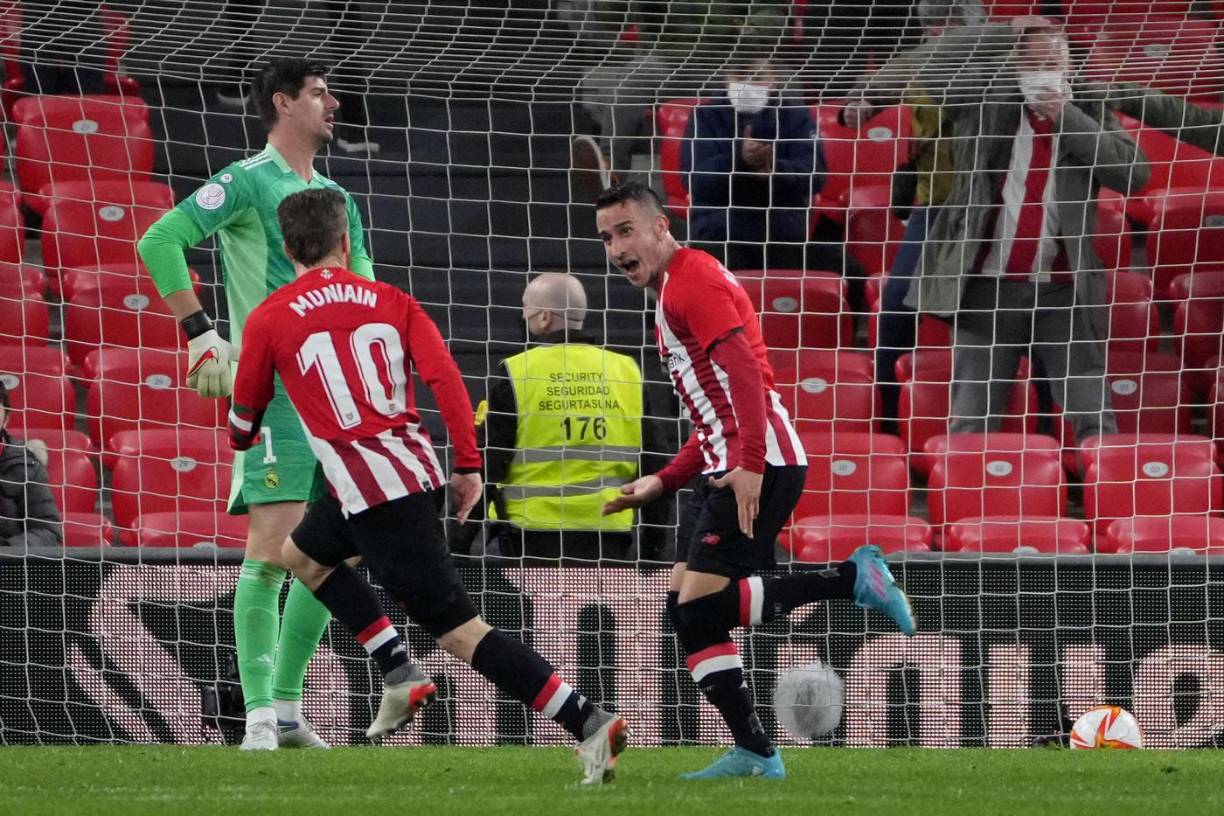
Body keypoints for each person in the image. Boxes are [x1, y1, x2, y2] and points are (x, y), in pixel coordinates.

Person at [230, 187, 628, 784]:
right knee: (301, 556)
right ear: (345, 240)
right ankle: (398, 672)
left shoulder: (269, 316)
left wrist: (221, 389)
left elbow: (243, 427)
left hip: (379, 496)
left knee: (463, 634)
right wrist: (467, 466)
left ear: (287, 248)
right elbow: (444, 377)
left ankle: (589, 722)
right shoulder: (394, 301)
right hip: (400, 477)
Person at [594, 181, 914, 780]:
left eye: (625, 231)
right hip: (726, 461)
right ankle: (754, 750)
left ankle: (852, 580)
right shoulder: (674, 289)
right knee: (687, 609)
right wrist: (663, 481)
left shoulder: (694, 282)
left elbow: (743, 370)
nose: (615, 248)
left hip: (754, 463)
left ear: (661, 226)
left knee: (700, 611)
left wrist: (750, 463)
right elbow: (712, 409)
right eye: (607, 238)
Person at [137, 58, 375, 751]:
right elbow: (159, 239)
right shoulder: (244, 182)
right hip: (272, 393)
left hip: (334, 400)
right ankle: (259, 718)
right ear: (283, 101)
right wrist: (200, 331)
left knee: (334, 554)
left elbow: (364, 291)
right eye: (319, 92)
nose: (332, 102)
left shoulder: (335, 197)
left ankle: (290, 710)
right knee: (272, 549)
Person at [859, 19, 1150, 442]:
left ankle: (1096, 496)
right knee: (971, 420)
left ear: (1069, 67)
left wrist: (1065, 116)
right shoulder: (983, 103)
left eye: (1053, 62)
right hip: (986, 292)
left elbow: (1134, 174)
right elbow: (930, 70)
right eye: (1033, 64)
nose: (1044, 72)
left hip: (1063, 293)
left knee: (1094, 416)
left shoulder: (1089, 110)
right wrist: (998, 33)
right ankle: (965, 504)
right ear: (1013, 67)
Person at [453, 272, 668, 563]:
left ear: (543, 318)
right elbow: (655, 462)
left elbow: (485, 466)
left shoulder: (518, 372)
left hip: (526, 541)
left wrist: (457, 549)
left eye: (525, 308)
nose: (522, 316)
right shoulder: (626, 371)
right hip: (609, 540)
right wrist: (654, 548)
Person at [681, 54, 836, 275]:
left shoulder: (796, 116)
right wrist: (738, 160)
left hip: (781, 232)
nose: (747, 85)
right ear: (727, 79)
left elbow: (816, 176)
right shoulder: (705, 117)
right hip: (719, 233)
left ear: (774, 80)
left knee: (849, 272)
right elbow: (694, 181)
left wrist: (776, 170)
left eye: (757, 77)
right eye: (741, 76)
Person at [0, 382, 62, 549]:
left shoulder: (27, 467)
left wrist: (7, 552)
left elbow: (49, 532)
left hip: (8, 568)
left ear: (6, 419)